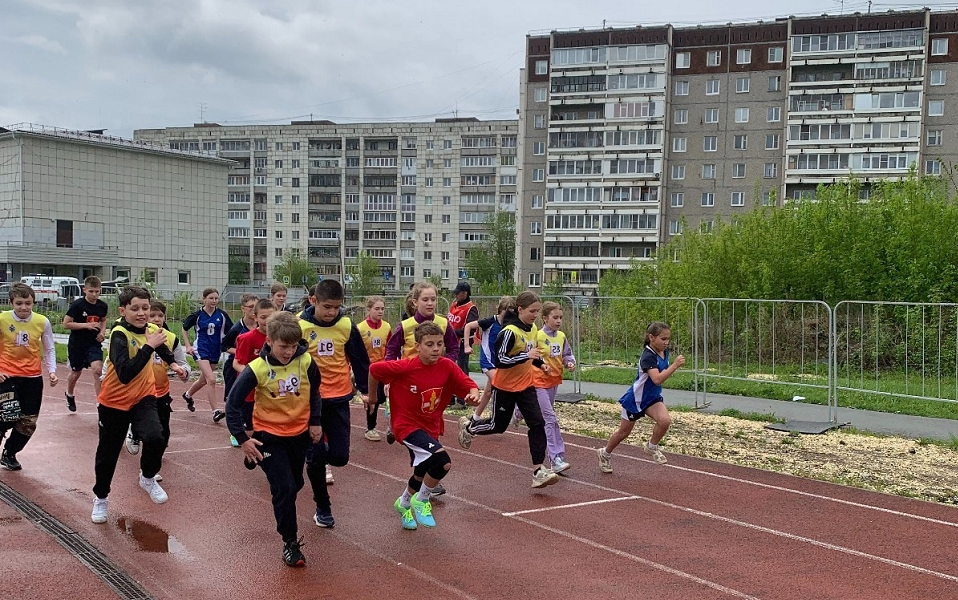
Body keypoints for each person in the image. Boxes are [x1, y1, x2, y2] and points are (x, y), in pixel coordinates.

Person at [226, 311, 322, 567]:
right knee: (285, 488)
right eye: (283, 346)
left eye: (293, 346)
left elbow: (314, 393)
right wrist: (242, 439)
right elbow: (232, 405)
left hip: (298, 435)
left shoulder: (306, 362)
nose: (289, 351)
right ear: (269, 341)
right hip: (268, 437)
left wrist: (315, 421)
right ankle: (290, 542)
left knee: (296, 483)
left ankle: (258, 462)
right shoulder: (256, 369)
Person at [366, 321, 479, 530]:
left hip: (431, 426)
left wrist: (473, 394)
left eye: (439, 344)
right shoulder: (406, 367)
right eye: (429, 344)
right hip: (405, 425)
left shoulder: (446, 366)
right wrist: (373, 397)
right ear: (418, 346)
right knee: (442, 461)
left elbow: (467, 384)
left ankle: (404, 502)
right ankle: (422, 499)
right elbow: (374, 370)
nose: (436, 349)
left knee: (422, 471)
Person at [91, 286, 186, 524]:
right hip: (113, 401)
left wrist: (174, 365)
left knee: (156, 437)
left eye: (145, 308)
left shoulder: (152, 330)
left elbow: (163, 349)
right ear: (123, 310)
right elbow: (125, 373)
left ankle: (147, 477)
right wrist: (148, 346)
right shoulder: (118, 334)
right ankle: (101, 498)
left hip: (144, 397)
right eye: (135, 309)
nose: (142, 313)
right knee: (108, 454)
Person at [458, 291, 559, 489]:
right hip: (505, 387)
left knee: (538, 423)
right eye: (532, 311)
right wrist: (527, 356)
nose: (535, 315)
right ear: (520, 309)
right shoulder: (509, 332)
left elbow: (530, 352)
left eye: (538, 311)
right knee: (498, 426)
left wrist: (540, 363)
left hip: (526, 385)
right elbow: (501, 360)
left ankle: (539, 470)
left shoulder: (532, 329)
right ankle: (470, 427)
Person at [299, 280, 369, 527]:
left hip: (339, 397)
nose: (332, 313)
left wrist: (366, 390)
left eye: (337, 307)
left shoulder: (346, 325)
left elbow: (360, 359)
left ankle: (313, 456)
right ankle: (323, 506)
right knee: (316, 456)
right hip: (310, 402)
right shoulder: (299, 325)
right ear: (313, 301)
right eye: (327, 307)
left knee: (340, 457)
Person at [385, 281, 460, 496]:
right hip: (408, 385)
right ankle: (428, 472)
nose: (430, 303)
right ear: (415, 302)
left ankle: (427, 475)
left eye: (433, 299)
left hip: (434, 382)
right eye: (425, 299)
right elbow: (391, 351)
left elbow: (453, 347)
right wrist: (390, 378)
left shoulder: (443, 324)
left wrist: (449, 366)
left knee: (432, 424)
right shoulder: (406, 326)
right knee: (415, 429)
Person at [597, 321, 685, 473]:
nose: (666, 342)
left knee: (665, 421)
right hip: (636, 399)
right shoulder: (647, 356)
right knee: (624, 432)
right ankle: (605, 454)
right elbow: (657, 379)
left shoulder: (664, 352)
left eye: (668, 339)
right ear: (651, 337)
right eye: (663, 339)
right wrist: (674, 366)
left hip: (652, 398)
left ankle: (651, 447)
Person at [125, 301, 192, 465]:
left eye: (160, 316)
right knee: (149, 429)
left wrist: (184, 372)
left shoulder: (171, 339)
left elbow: (183, 363)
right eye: (152, 315)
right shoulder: (136, 335)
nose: (156, 319)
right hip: (140, 391)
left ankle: (151, 462)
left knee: (163, 433)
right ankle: (134, 433)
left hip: (161, 392)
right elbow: (116, 361)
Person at [0, 283, 58, 471]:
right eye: (19, 303)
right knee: (7, 416)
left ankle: (10, 453)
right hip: (7, 376)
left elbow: (49, 348)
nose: (24, 307)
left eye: (28, 303)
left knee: (28, 421)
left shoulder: (42, 321)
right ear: (11, 303)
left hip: (32, 377)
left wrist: (52, 371)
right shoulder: (2, 319)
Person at [519, 302, 577, 473]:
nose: (558, 321)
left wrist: (570, 362)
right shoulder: (537, 335)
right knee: (550, 419)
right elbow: (527, 354)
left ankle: (519, 411)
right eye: (555, 317)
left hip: (553, 382)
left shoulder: (561, 336)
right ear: (545, 318)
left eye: (560, 318)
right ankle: (556, 458)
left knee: (543, 415)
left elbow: (567, 353)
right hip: (537, 382)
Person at [181, 287, 233, 422]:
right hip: (201, 349)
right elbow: (184, 328)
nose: (214, 301)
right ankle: (215, 411)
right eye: (211, 298)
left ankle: (188, 395)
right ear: (203, 299)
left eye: (216, 298)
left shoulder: (222, 315)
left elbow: (232, 331)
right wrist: (188, 345)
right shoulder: (197, 315)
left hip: (215, 350)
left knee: (203, 380)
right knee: (212, 379)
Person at [463, 296, 513, 424]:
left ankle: (474, 418)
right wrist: (467, 345)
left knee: (488, 392)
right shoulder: (490, 322)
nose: (508, 317)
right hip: (488, 361)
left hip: (500, 362)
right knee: (501, 383)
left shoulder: (511, 326)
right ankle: (504, 413)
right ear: (500, 310)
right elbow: (468, 326)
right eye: (506, 313)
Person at [63, 276, 108, 412]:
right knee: (76, 373)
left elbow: (103, 320)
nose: (94, 295)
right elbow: (66, 324)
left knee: (97, 370)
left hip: (93, 343)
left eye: (97, 291)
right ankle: (69, 394)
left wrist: (102, 332)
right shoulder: (77, 305)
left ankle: (100, 402)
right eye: (91, 291)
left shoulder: (102, 306)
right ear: (85, 290)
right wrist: (86, 325)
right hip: (77, 344)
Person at [232, 299, 276, 435]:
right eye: (263, 317)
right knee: (251, 429)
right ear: (255, 317)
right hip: (251, 392)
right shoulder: (247, 338)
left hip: (273, 390)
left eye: (271, 317)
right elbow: (237, 363)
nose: (268, 321)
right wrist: (253, 376)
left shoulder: (280, 337)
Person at [221, 294, 258, 446]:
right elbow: (224, 346)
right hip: (235, 367)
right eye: (250, 307)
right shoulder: (237, 328)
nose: (253, 310)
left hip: (255, 368)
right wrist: (241, 352)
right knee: (235, 398)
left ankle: (252, 427)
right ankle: (235, 430)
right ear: (243, 309)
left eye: (256, 307)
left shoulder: (261, 326)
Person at [356, 296, 391, 441]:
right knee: (374, 399)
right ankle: (370, 428)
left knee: (385, 396)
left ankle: (393, 425)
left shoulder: (387, 327)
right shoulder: (360, 328)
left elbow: (389, 348)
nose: (380, 311)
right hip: (368, 369)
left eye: (382, 309)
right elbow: (356, 350)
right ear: (369, 310)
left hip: (383, 367)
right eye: (377, 309)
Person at [446, 281, 478, 408]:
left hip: (462, 344)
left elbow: (471, 328)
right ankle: (450, 398)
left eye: (458, 293)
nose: (456, 295)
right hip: (450, 342)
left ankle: (462, 399)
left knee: (461, 371)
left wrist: (452, 332)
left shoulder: (471, 308)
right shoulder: (454, 304)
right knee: (447, 369)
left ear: (465, 294)